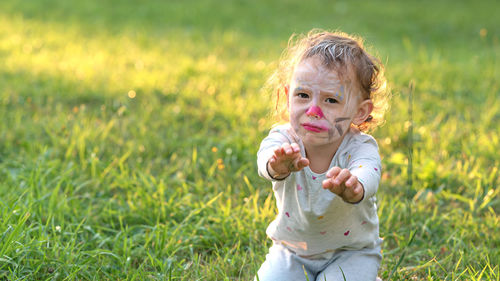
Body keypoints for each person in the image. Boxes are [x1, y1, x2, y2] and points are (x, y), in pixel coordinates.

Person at [255, 30, 390, 281]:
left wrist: (354, 185)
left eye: (330, 100)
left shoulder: (360, 147)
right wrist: (276, 164)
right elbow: (265, 160)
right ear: (287, 98)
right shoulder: (283, 140)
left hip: (352, 253)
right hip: (292, 251)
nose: (313, 110)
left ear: (360, 112)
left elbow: (369, 170)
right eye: (303, 95)